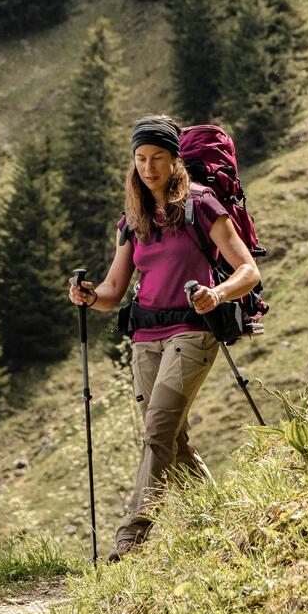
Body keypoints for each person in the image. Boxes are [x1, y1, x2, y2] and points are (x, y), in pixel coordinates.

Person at [68, 114, 260, 558]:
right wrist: (86, 295)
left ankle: (132, 538)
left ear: (176, 160)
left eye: (157, 158)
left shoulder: (203, 204)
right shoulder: (132, 220)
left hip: (193, 331)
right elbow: (113, 292)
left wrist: (218, 293)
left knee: (156, 433)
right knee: (172, 438)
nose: (149, 167)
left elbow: (248, 270)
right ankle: (218, 515)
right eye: (141, 159)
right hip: (145, 336)